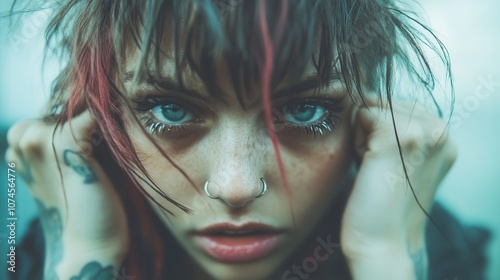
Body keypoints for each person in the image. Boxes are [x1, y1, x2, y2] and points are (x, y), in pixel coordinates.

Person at [4, 0, 490, 279]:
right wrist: (86, 248)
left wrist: (384, 257)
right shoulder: (64, 234)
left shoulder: (438, 253)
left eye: (305, 110)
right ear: (105, 115)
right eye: (170, 110)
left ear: (368, 116)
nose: (235, 187)